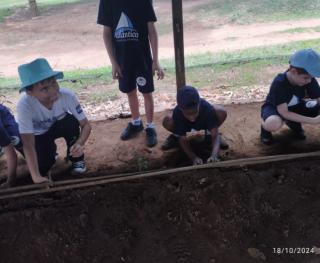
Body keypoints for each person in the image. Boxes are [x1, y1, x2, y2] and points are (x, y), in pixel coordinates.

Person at [97, 0, 165, 147]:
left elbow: (151, 30)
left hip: (143, 59)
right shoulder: (107, 2)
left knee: (147, 92)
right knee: (130, 91)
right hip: (122, 60)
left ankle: (150, 126)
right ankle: (136, 122)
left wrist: (155, 60)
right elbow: (106, 34)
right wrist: (113, 63)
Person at [16, 58, 92, 184]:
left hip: (59, 125)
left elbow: (86, 125)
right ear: (30, 92)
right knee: (43, 166)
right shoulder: (24, 106)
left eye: (54, 83)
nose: (53, 91)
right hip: (38, 134)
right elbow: (28, 144)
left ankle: (76, 159)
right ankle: (50, 155)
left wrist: (80, 143)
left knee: (70, 122)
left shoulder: (67, 95)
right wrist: (36, 177)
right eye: (44, 89)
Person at [260, 48, 320, 145]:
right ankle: (264, 128)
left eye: (311, 77)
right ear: (293, 71)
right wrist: (312, 121)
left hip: (297, 106)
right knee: (272, 123)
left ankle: (293, 123)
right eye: (306, 78)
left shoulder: (308, 78)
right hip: (276, 108)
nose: (309, 81)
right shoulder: (279, 83)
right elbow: (284, 112)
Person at [162, 85, 228, 165]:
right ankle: (175, 136)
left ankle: (208, 136)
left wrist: (214, 155)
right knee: (167, 120)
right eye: (188, 114)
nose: (192, 118)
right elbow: (183, 140)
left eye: (195, 112)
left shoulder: (207, 108)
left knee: (221, 112)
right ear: (180, 108)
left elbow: (216, 136)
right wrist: (194, 157)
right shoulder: (178, 113)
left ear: (199, 104)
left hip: (204, 129)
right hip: (186, 131)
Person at [0, 104, 22, 188]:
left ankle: (42, 170)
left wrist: (11, 180)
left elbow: (10, 152)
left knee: (20, 144)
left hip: (4, 118)